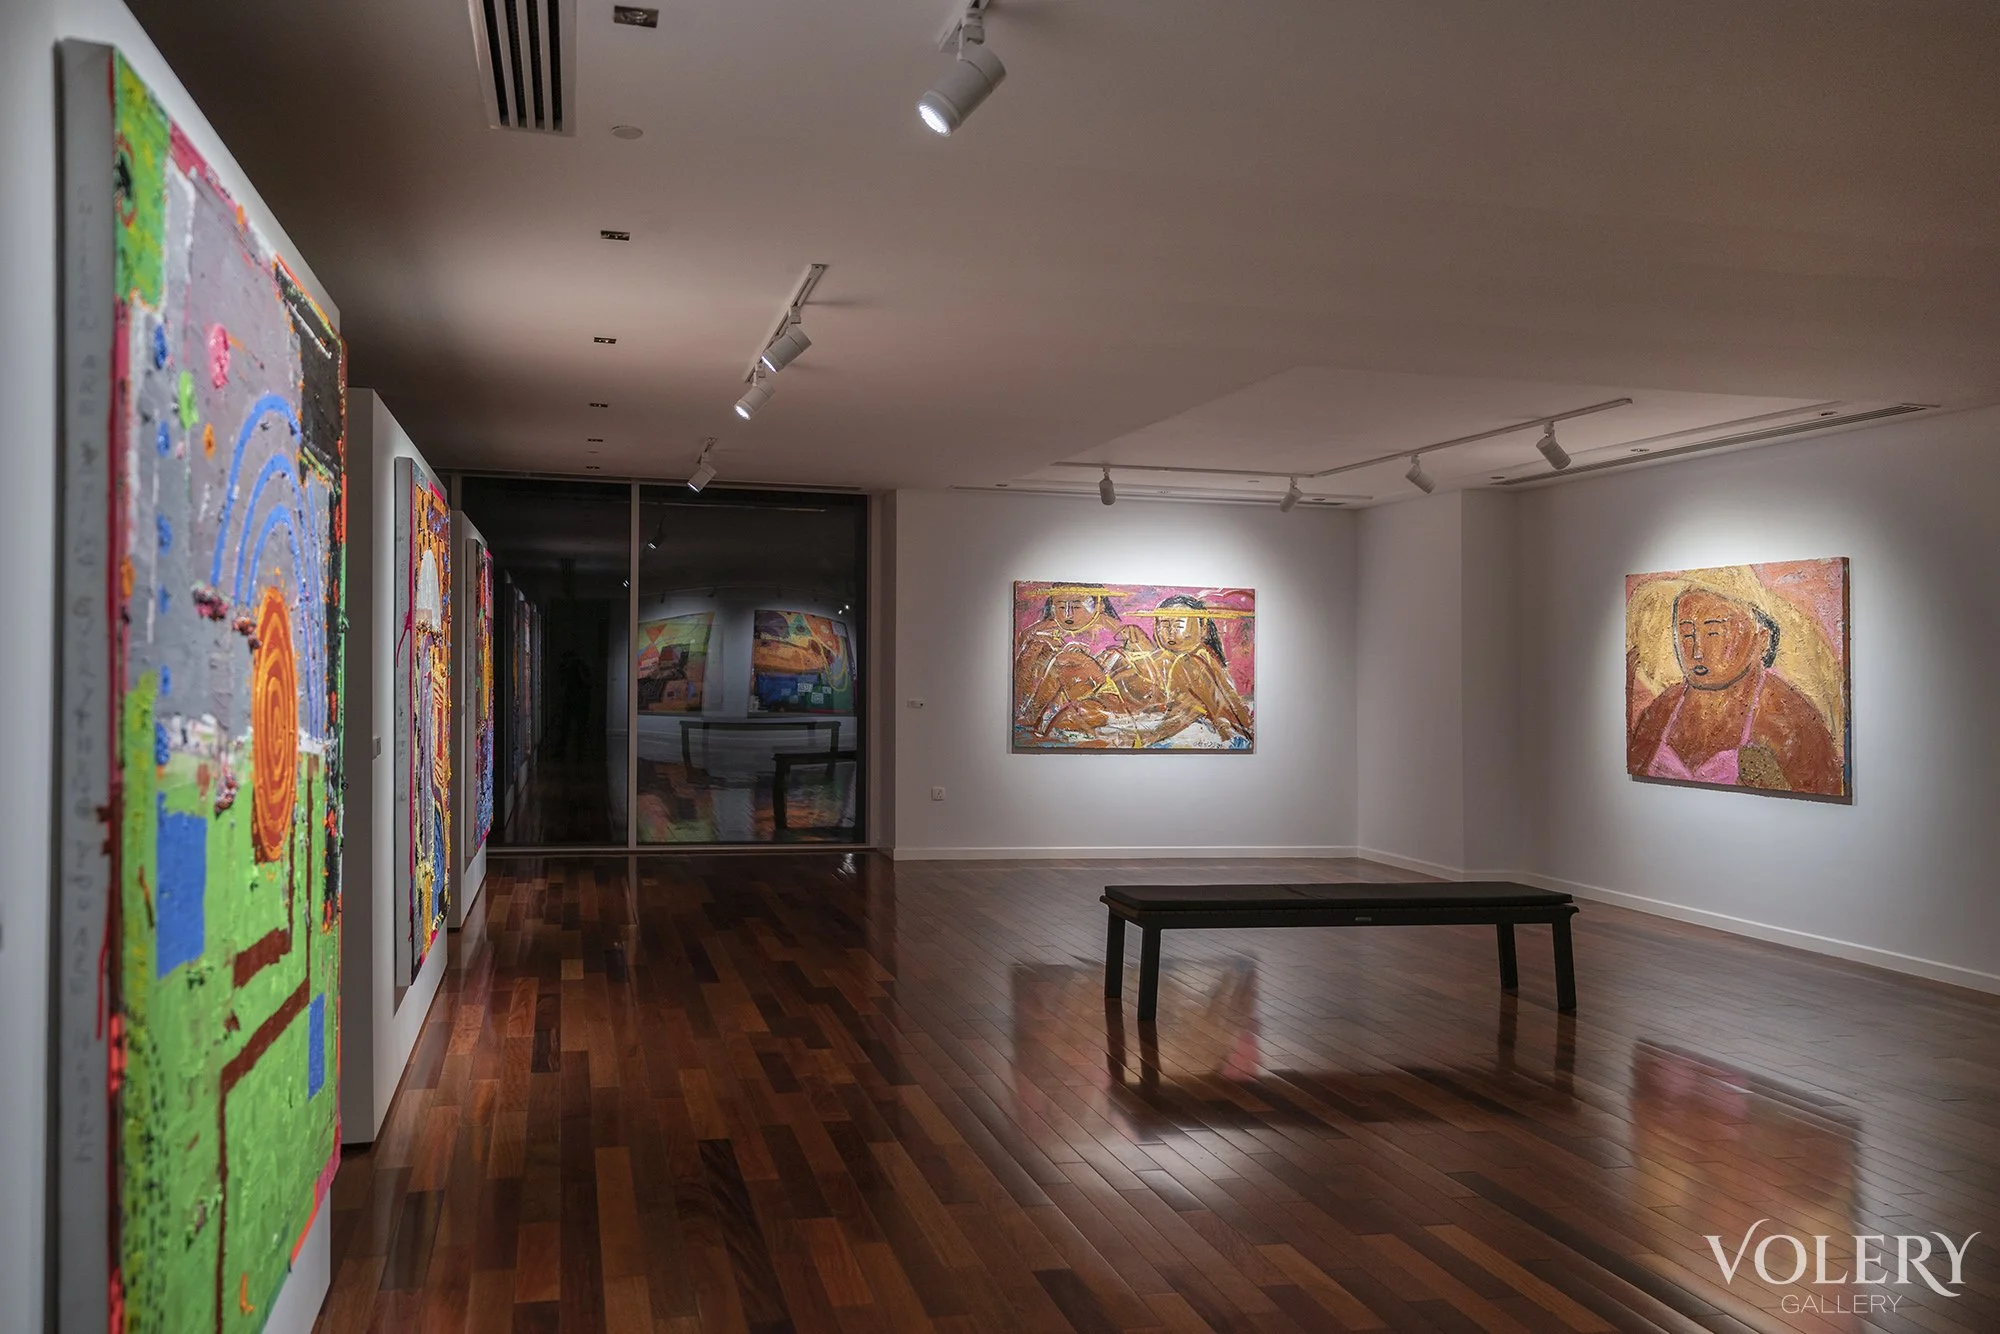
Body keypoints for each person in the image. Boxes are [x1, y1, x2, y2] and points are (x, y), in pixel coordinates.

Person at [1626, 585, 1842, 794]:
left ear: (1761, 639)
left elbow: (1824, 792)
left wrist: (1776, 785)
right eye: (1687, 634)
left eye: (1714, 633)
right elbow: (1635, 766)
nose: (1697, 651)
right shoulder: (1664, 708)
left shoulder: (1789, 716)